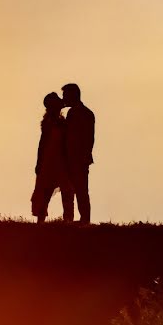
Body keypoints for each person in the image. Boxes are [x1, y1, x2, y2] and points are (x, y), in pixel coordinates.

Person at [31, 92, 74, 223]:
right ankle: (44, 219)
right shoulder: (51, 123)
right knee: (47, 191)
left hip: (58, 160)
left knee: (65, 191)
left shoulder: (59, 122)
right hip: (52, 160)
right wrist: (39, 162)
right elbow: (42, 144)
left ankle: (67, 220)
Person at [62, 83, 95, 224]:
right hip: (72, 158)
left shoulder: (83, 113)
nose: (64, 99)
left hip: (78, 159)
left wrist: (83, 156)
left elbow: (88, 138)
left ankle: (83, 220)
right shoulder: (77, 112)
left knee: (80, 190)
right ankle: (72, 219)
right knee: (71, 190)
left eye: (65, 96)